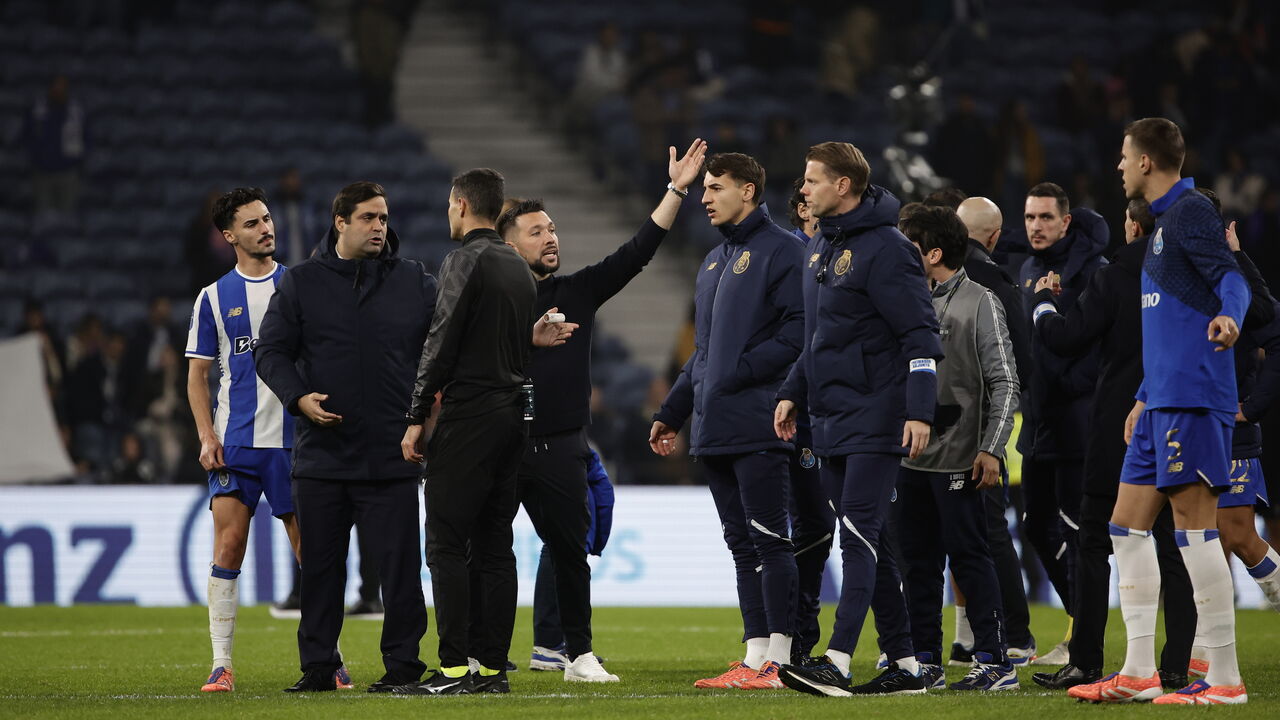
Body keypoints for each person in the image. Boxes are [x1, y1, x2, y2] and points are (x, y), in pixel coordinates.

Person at [501, 139, 706, 681]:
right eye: (537, 231)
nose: (551, 238)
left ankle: (577, 653)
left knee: (570, 550)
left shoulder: (578, 291)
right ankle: (481, 655)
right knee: (486, 555)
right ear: (506, 244)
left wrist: (676, 190)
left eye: (553, 230)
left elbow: (639, 250)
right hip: (496, 441)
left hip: (562, 443)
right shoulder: (489, 302)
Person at [1068, 118, 1250, 705]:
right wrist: (1144, 393)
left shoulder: (1192, 210)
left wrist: (1230, 319)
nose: (1118, 166)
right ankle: (1139, 672)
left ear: (1147, 161)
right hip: (1160, 402)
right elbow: (1167, 324)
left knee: (1196, 537)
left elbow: (1233, 280)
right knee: (1125, 529)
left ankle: (1224, 682)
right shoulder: (1161, 227)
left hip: (1196, 398)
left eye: (1124, 156)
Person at [397, 169, 576, 696]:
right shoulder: (518, 268)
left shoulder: (464, 259)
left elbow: (442, 337)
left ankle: (453, 668)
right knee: (496, 545)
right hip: (514, 415)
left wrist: (415, 415)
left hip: (471, 414)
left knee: (448, 543)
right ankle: (492, 669)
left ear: (459, 205)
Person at [774, 141, 942, 697]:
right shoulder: (821, 244)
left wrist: (919, 411)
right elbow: (819, 338)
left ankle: (839, 661)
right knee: (875, 544)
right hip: (831, 417)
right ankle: (905, 666)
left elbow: (920, 336)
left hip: (877, 415)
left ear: (842, 186)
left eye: (812, 180)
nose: (803, 189)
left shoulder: (889, 249)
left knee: (858, 535)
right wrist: (792, 392)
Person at [255, 181, 435, 693]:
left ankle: (402, 668)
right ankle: (318, 668)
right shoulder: (302, 283)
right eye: (369, 218)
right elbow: (270, 352)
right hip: (323, 458)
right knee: (321, 571)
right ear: (340, 222)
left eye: (384, 218)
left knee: (400, 573)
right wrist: (298, 399)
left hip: (392, 454)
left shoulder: (414, 281)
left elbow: (450, 338)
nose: (380, 226)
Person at [650, 152, 804, 691]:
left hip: (762, 420)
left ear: (749, 191)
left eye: (715, 187)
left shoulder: (786, 250)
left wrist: (737, 370)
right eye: (704, 188)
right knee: (741, 544)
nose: (705, 196)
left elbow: (799, 333)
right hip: (714, 423)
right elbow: (705, 353)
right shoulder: (713, 261)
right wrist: (673, 411)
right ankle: (754, 653)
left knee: (769, 540)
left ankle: (781, 661)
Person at [1029, 198, 1196, 691]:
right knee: (1175, 546)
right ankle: (1174, 668)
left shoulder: (1117, 273)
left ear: (1131, 225)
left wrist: (1043, 303)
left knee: (1094, 542)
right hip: (1178, 419)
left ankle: (1086, 661)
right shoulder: (1188, 275)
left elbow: (1066, 337)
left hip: (1116, 426)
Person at [183, 188, 318, 692]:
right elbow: (197, 375)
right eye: (253, 223)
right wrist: (205, 435)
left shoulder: (301, 285)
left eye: (267, 219)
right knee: (229, 544)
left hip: (294, 442)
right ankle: (221, 665)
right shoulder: (213, 297)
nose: (266, 228)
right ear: (229, 235)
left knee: (311, 552)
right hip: (236, 442)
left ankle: (330, 657)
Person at [897, 205, 1020, 691]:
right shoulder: (904, 300)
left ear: (932, 253)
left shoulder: (981, 301)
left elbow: (1006, 382)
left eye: (909, 246)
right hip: (909, 457)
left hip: (963, 457)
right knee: (919, 563)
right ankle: (925, 658)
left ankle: (995, 660)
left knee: (970, 557)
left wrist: (991, 449)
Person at [1016, 182, 1109, 665]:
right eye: (1030, 217)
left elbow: (1100, 346)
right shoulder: (1030, 268)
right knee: (1035, 525)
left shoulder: (1092, 269)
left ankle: (1082, 639)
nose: (1036, 226)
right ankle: (1081, 620)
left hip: (1077, 421)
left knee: (1078, 531)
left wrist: (1068, 383)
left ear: (1066, 220)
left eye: (1046, 218)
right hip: (1038, 421)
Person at [950, 195, 1036, 665]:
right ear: (996, 237)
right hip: (989, 425)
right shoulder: (1000, 281)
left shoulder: (951, 279)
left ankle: (1002, 638)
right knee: (988, 533)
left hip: (958, 428)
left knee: (975, 534)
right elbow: (1019, 359)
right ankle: (1004, 636)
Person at [530, 448, 615, 667]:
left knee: (488, 544)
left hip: (502, 439)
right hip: (555, 450)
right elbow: (603, 492)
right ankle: (552, 645)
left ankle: (480, 654)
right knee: (561, 542)